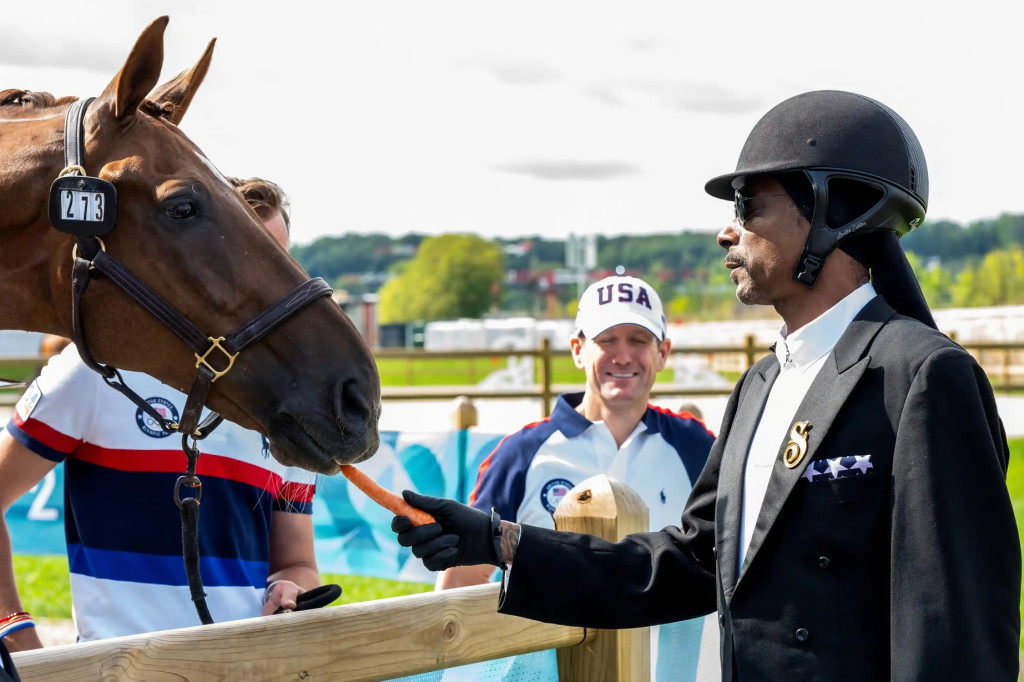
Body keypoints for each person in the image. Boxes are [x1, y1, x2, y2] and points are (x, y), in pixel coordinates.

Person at [391, 91, 1022, 681]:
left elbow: (952, 630)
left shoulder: (923, 377)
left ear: (832, 213)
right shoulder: (759, 384)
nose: (728, 230)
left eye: (749, 205)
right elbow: (688, 564)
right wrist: (501, 542)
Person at [0, 177, 324, 649]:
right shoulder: (97, 367)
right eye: (249, 259)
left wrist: (293, 588)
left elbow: (297, 562)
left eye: (280, 264)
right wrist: (13, 631)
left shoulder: (289, 402)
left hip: (251, 669)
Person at [438, 275, 718, 681]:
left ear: (663, 352)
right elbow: (463, 584)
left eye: (638, 339)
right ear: (577, 350)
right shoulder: (521, 453)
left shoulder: (698, 447)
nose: (623, 356)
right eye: (607, 340)